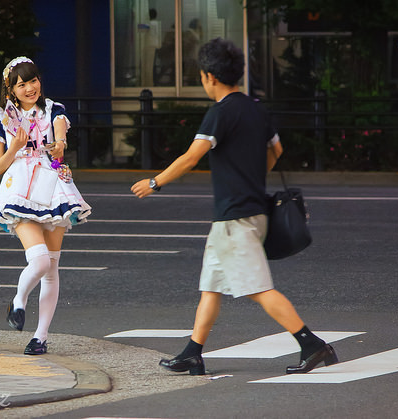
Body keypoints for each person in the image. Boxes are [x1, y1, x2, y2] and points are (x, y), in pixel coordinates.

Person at [131, 38, 338, 375]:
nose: (202, 81)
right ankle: (192, 353)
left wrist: (155, 182)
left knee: (259, 289)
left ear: (210, 76)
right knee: (210, 285)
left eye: (201, 76)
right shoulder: (256, 108)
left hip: (235, 218)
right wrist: (253, 177)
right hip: (251, 212)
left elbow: (192, 156)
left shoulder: (221, 112)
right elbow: (277, 149)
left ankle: (311, 344)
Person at [0, 56, 91, 355]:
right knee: (41, 261)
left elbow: (59, 140)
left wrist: (60, 145)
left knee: (51, 268)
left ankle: (40, 337)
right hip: (20, 189)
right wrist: (16, 147)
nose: (30, 88)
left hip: (53, 188)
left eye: (33, 80)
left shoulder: (54, 110)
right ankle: (18, 302)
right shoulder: (0, 118)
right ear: (11, 90)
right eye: (22, 84)